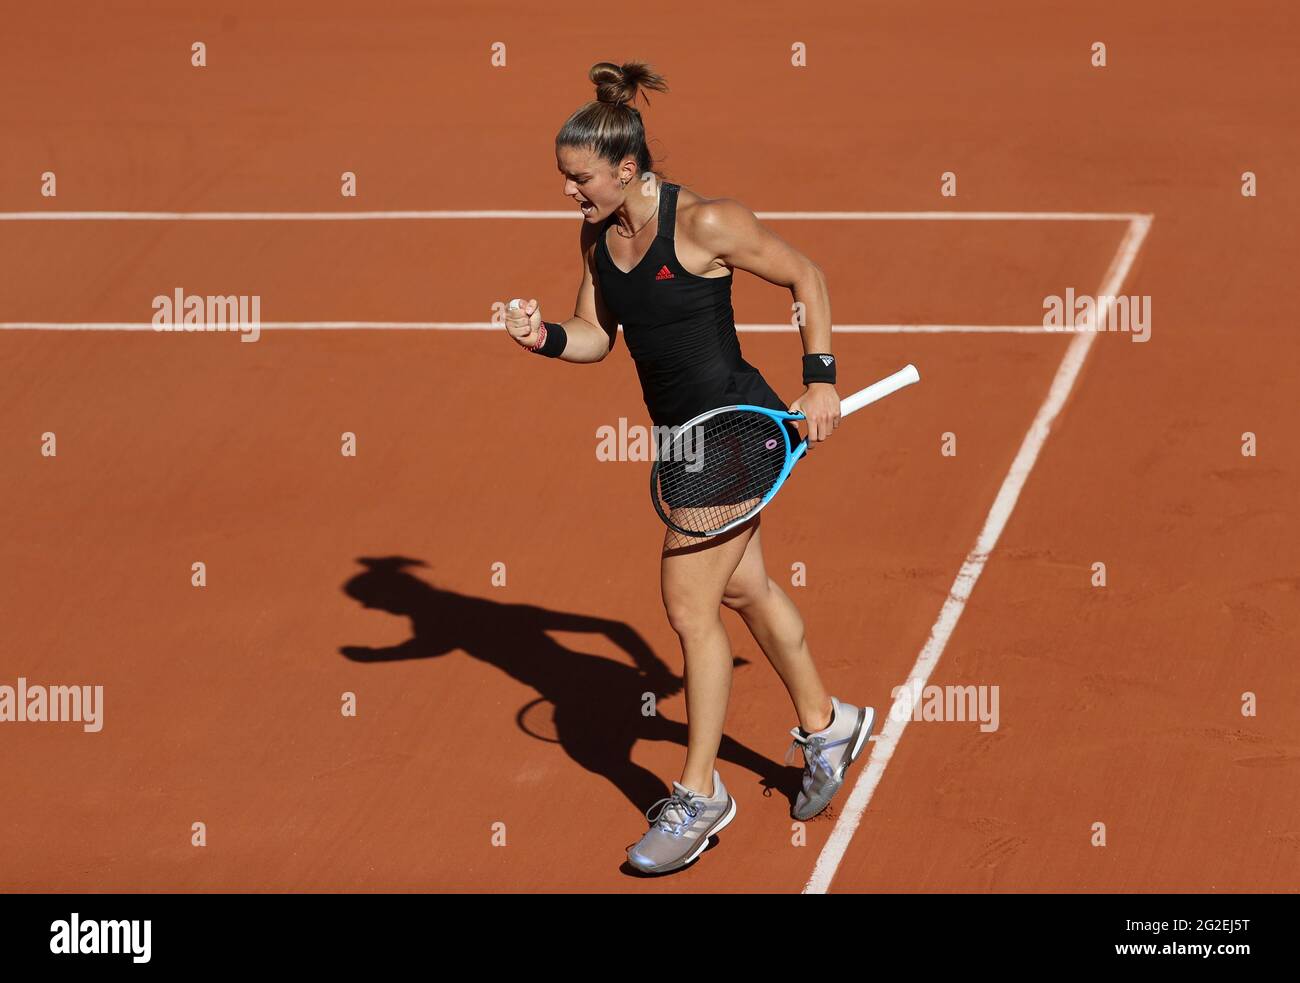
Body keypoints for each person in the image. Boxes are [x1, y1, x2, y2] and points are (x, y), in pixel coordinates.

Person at [504, 61, 876, 875]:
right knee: (741, 588)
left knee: (686, 602)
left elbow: (806, 276)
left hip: (742, 430)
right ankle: (829, 723)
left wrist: (820, 378)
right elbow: (596, 334)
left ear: (627, 169)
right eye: (565, 180)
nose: (569, 192)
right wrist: (544, 337)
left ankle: (701, 794)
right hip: (683, 443)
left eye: (580, 179)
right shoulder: (597, 238)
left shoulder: (707, 223)